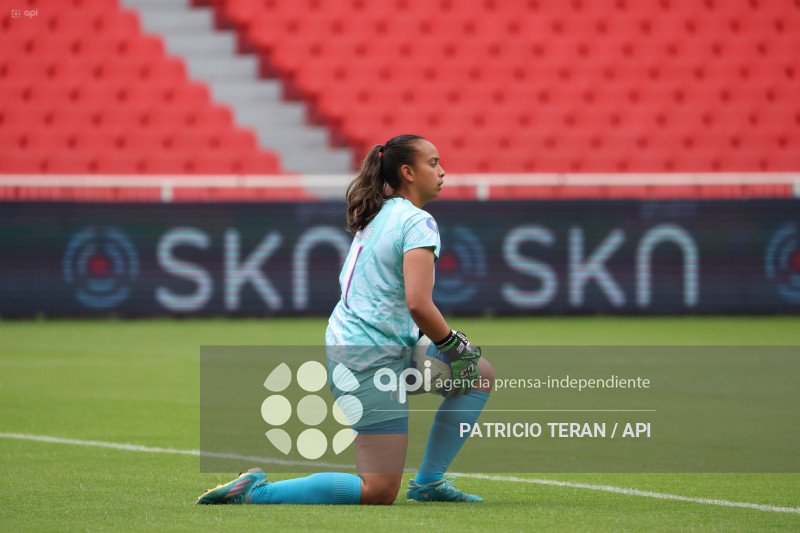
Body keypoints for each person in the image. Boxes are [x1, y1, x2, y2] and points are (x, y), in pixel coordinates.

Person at [197, 134, 494, 506]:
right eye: (433, 163)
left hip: (370, 351)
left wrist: (456, 351)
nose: (442, 170)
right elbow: (418, 303)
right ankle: (257, 492)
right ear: (407, 172)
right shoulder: (418, 222)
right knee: (379, 490)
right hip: (369, 361)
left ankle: (429, 483)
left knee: (478, 373)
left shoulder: (382, 213)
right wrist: (454, 345)